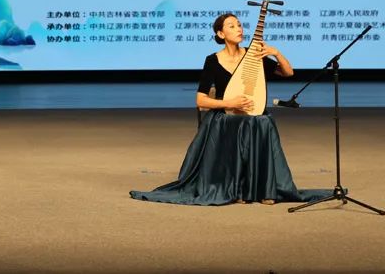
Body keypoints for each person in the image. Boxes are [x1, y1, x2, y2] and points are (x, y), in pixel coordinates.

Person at [130, 13, 325, 205]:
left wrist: (276, 53)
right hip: (225, 116)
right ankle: (236, 189)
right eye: (231, 26)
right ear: (221, 34)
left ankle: (264, 189)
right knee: (239, 122)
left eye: (239, 25)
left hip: (253, 115)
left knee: (263, 121)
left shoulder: (254, 57)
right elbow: (201, 100)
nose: (238, 29)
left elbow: (288, 72)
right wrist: (229, 104)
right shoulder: (213, 61)